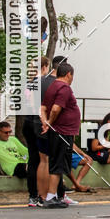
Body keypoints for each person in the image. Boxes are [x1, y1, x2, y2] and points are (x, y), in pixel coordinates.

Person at [40, 61, 81, 208]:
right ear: (69, 74)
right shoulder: (64, 88)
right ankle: (51, 196)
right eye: (72, 75)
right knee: (58, 164)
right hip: (62, 132)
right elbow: (56, 109)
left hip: (59, 131)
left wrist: (45, 123)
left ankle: (57, 195)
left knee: (59, 163)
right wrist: (50, 122)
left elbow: (43, 108)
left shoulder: (52, 87)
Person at [23, 56, 50, 207]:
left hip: (27, 121)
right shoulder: (41, 82)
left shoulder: (29, 83)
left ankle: (33, 195)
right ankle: (39, 194)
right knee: (42, 160)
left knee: (33, 159)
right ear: (45, 66)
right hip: (36, 121)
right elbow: (37, 106)